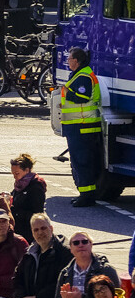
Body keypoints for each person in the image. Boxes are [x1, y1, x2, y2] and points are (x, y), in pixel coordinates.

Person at [60, 46, 102, 206]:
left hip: (83, 126)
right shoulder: (80, 74)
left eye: (69, 59)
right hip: (79, 126)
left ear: (76, 61)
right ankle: (85, 194)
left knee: (82, 162)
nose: (67, 61)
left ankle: (87, 196)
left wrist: (65, 90)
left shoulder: (83, 76)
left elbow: (81, 97)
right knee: (80, 161)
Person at [14, 213, 74, 298]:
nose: (40, 233)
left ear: (51, 228)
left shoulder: (64, 252)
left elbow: (63, 283)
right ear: (32, 233)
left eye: (43, 228)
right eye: (36, 230)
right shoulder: (29, 253)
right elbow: (17, 279)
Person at [54, 233, 118, 298]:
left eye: (84, 242)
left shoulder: (106, 270)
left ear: (91, 245)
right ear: (71, 249)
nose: (80, 245)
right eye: (76, 243)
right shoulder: (65, 273)